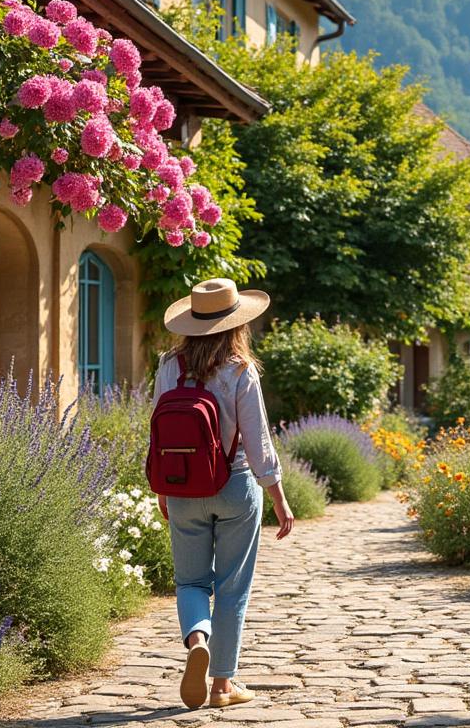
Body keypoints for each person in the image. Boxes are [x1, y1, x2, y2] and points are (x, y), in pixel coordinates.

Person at [154, 278, 295, 709]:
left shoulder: (168, 365)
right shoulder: (239, 369)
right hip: (233, 487)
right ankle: (221, 686)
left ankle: (198, 639)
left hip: (180, 485)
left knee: (190, 581)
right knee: (232, 587)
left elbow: (156, 431)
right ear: (236, 324)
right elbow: (258, 441)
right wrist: (278, 497)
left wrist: (162, 487)